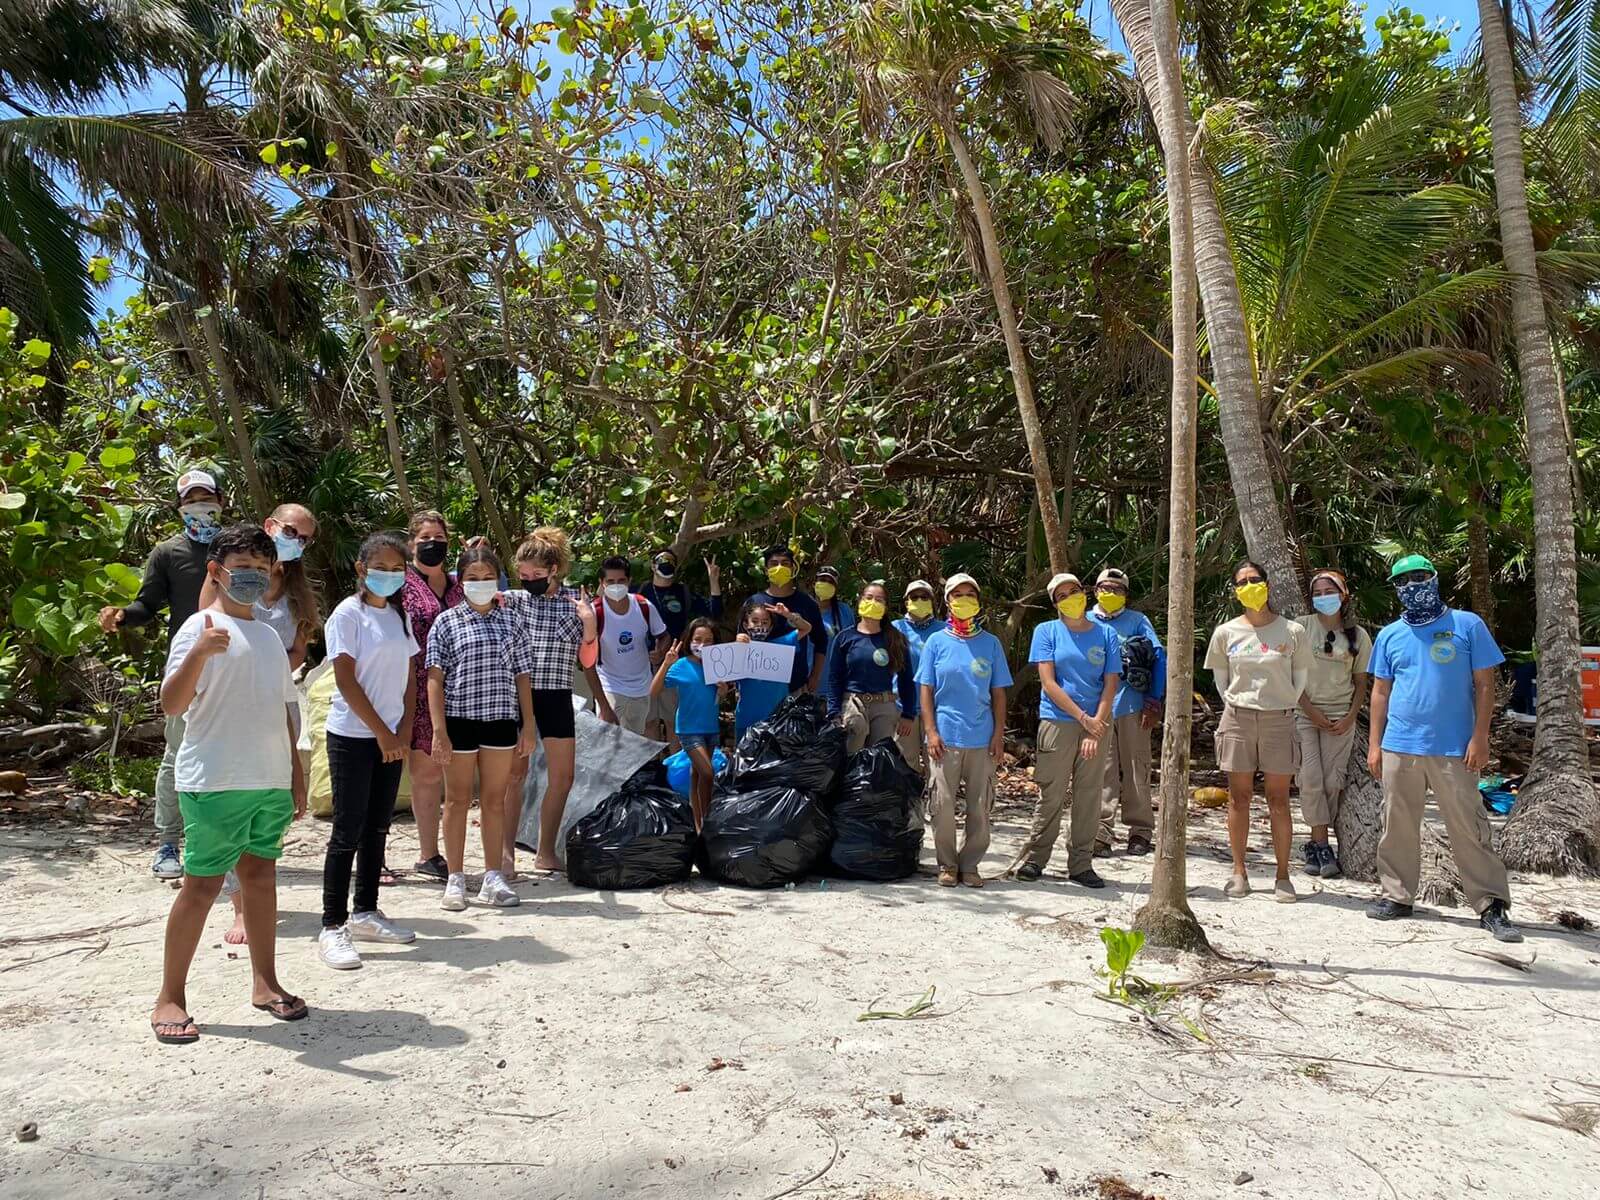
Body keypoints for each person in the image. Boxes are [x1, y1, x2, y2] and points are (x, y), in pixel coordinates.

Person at [149, 523, 307, 1044]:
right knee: (202, 886)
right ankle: (170, 996)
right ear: (216, 572)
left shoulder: (266, 636)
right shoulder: (198, 628)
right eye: (241, 568)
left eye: (261, 571)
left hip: (268, 781)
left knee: (261, 877)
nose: (251, 578)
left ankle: (265, 982)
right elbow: (172, 705)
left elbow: (285, 710)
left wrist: (295, 775)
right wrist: (198, 654)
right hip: (214, 781)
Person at [1365, 555, 1520, 942]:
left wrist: (1480, 737)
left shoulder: (1468, 625)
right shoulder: (1389, 635)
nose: (1412, 585)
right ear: (1396, 589)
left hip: (1455, 747)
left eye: (1419, 576)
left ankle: (1491, 904)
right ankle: (1397, 895)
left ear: (1434, 578)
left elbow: (1485, 685)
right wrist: (1374, 744)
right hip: (1400, 745)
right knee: (1396, 825)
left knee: (1469, 826)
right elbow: (1380, 692)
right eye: (1403, 580)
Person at [196, 500, 322, 945]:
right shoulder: (227, 578)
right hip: (229, 702)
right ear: (271, 526)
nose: (298, 542)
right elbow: (206, 631)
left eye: (305, 538)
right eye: (292, 531)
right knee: (233, 797)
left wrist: (268, 669)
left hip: (279, 695)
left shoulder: (297, 592)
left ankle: (256, 893)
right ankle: (239, 909)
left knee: (271, 804)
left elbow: (297, 650)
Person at [98, 467, 227, 881]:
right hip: (188, 663)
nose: (199, 507)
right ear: (180, 507)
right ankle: (168, 842)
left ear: (221, 502)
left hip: (234, 663)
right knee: (176, 754)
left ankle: (223, 844)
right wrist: (121, 617)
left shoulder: (235, 548)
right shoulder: (167, 552)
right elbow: (147, 605)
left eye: (206, 498)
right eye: (190, 500)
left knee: (231, 753)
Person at [316, 532, 421, 970]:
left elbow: (411, 674)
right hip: (353, 737)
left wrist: (402, 727)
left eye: (398, 569)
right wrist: (381, 731)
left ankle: (366, 911)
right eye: (381, 567)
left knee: (379, 827)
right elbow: (345, 679)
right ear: (361, 569)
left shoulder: (400, 615)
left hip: (391, 738)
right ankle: (332, 924)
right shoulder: (347, 615)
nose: (390, 576)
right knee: (348, 831)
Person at [426, 546, 537, 911]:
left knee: (494, 800)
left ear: (498, 579)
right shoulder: (446, 622)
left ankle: (493, 876)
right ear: (461, 581)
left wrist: (528, 724)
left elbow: (523, 675)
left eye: (487, 577)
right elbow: (434, 679)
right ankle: (456, 878)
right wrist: (439, 731)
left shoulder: (512, 620)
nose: (480, 584)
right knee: (456, 800)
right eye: (472, 578)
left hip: (501, 720)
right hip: (459, 721)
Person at [1204, 560, 1312, 903]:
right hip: (1238, 719)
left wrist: (1282, 703)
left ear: (1266, 584)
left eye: (1255, 580)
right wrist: (1239, 704)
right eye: (1242, 582)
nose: (1249, 586)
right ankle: (1239, 872)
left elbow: (1301, 678)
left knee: (1279, 800)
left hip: (1279, 719)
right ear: (1235, 591)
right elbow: (1221, 679)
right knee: (1239, 798)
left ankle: (1283, 876)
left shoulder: (1292, 631)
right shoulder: (1226, 632)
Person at [501, 527, 599, 876]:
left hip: (557, 695)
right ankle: (505, 853)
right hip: (518, 695)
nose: (529, 581)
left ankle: (545, 851)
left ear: (554, 569)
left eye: (537, 575)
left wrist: (589, 623)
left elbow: (588, 661)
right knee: (515, 774)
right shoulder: (512, 599)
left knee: (563, 776)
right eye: (524, 575)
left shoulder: (576, 601)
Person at [1015, 573, 1122, 887]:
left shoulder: (1105, 634)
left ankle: (1081, 863)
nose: (1070, 598)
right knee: (1052, 793)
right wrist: (1082, 718)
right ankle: (1035, 859)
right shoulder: (1046, 631)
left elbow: (1110, 683)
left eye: (1073, 591)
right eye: (1062, 595)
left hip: (1097, 723)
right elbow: (1049, 683)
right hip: (1058, 721)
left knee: (1089, 796)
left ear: (1084, 593)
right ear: (1055, 603)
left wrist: (1095, 726)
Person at [915, 574, 1012, 888]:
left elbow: (999, 693)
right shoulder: (936, 642)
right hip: (944, 738)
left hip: (982, 739)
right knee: (941, 806)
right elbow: (926, 690)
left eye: (971, 593)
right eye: (958, 594)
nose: (964, 599)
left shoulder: (990, 643)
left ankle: (970, 865)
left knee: (980, 807)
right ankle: (947, 864)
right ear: (947, 600)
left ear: (979, 600)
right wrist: (930, 731)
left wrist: (998, 735)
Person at [400, 511, 465, 881]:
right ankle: (429, 853)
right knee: (425, 774)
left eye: (439, 537)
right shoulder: (401, 586)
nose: (433, 543)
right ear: (411, 544)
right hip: (417, 688)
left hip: (464, 690)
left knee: (457, 775)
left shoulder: (460, 584)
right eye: (425, 537)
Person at [1294, 569, 1372, 879]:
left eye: (1330, 591)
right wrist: (1312, 713)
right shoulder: (1300, 628)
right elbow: (1292, 676)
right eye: (1318, 592)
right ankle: (1320, 844)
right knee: (1310, 778)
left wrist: (1351, 716)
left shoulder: (1359, 636)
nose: (1324, 597)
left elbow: (1361, 682)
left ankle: (1318, 844)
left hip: (1342, 718)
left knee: (1332, 781)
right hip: (1305, 716)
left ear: (1343, 595)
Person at [1089, 568, 1165, 856]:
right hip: (1096, 709)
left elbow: (1158, 657)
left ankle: (1140, 831)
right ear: (1095, 591)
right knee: (1101, 770)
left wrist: (1153, 700)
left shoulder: (1137, 621)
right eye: (1105, 588)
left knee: (1137, 768)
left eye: (1117, 589)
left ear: (1126, 594)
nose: (1110, 593)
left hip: (1132, 704)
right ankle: (1100, 831)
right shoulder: (1084, 622)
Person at [639, 547, 722, 748]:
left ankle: (674, 770)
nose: (666, 566)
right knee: (648, 720)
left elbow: (714, 615)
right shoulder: (640, 591)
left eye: (671, 562)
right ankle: (654, 767)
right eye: (662, 562)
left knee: (671, 719)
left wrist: (713, 581)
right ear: (652, 565)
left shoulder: (682, 592)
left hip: (675, 663)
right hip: (642, 664)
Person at [825, 581, 916, 755]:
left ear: (886, 606)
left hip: (884, 706)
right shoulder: (845, 637)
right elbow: (835, 677)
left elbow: (906, 678)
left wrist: (908, 714)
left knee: (878, 759)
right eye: (869, 598)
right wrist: (834, 712)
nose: (873, 602)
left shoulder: (895, 639)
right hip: (853, 705)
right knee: (850, 758)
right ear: (859, 601)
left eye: (879, 599)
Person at [651, 618, 726, 829]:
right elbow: (654, 691)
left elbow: (717, 697)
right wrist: (666, 663)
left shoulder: (718, 665)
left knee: (696, 776)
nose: (702, 645)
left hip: (711, 728)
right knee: (708, 773)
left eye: (709, 640)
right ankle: (707, 823)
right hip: (688, 730)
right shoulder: (681, 666)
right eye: (698, 639)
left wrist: (723, 691)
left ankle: (697, 827)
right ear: (689, 641)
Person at [584, 555, 666, 735]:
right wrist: (604, 706)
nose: (616, 585)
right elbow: (587, 664)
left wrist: (660, 652)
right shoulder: (594, 613)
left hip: (642, 687)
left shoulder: (644, 605)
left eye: (621, 580)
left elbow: (663, 635)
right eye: (610, 581)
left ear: (629, 581)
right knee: (608, 742)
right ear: (602, 583)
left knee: (635, 744)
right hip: (610, 686)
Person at [748, 545, 829, 694]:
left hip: (796, 687)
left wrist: (815, 676)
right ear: (766, 570)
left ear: (793, 569)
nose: (780, 567)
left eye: (785, 563)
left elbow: (821, 641)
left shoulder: (807, 603)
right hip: (758, 685)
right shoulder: (754, 601)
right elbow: (742, 639)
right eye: (774, 564)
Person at [733, 600, 813, 740]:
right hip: (746, 721)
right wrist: (737, 645)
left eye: (765, 622)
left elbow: (806, 628)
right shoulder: (739, 648)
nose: (760, 626)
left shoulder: (782, 644)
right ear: (746, 625)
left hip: (778, 721)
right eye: (755, 621)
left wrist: (788, 615)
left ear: (771, 626)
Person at [892, 580, 941, 772]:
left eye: (924, 597)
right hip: (902, 707)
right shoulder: (894, 629)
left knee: (936, 764)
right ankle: (908, 802)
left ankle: (934, 802)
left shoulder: (944, 630)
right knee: (904, 763)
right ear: (906, 601)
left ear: (932, 601)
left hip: (936, 708)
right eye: (914, 597)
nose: (919, 600)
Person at [814, 564, 856, 656]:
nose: (826, 584)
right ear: (814, 583)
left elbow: (851, 644)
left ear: (835, 588)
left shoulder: (844, 611)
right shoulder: (802, 608)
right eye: (822, 580)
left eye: (830, 582)